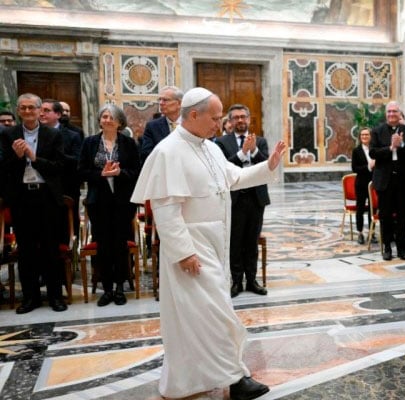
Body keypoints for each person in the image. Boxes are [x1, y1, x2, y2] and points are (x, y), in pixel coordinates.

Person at [131, 87, 284, 400]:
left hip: (214, 243)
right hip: (191, 249)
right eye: (215, 118)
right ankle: (236, 379)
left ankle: (194, 380)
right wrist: (183, 251)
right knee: (214, 314)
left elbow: (236, 178)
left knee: (206, 315)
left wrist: (269, 165)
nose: (221, 124)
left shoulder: (210, 148)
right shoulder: (168, 151)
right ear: (195, 114)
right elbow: (166, 209)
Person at [0, 93, 67, 314]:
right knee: (26, 250)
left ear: (40, 111)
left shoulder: (53, 134)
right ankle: (31, 298)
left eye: (32, 108)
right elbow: (5, 169)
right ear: (18, 111)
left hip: (46, 196)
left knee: (51, 249)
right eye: (23, 108)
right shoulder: (8, 134)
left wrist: (34, 157)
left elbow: (59, 166)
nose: (28, 112)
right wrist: (17, 156)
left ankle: (56, 296)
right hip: (22, 198)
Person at [79, 104, 140, 306]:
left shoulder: (129, 143)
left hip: (123, 202)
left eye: (111, 117)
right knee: (104, 246)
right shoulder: (89, 143)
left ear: (119, 122)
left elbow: (136, 172)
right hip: (99, 202)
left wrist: (119, 173)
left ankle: (120, 288)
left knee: (120, 245)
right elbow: (81, 171)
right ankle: (106, 289)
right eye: (104, 116)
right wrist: (101, 175)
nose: (107, 120)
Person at [216, 104, 273, 297]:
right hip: (235, 199)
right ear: (230, 121)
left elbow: (268, 165)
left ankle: (252, 280)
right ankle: (236, 281)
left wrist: (254, 150)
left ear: (249, 119)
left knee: (251, 241)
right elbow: (222, 168)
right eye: (236, 117)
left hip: (256, 198)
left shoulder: (261, 141)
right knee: (235, 241)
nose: (240, 120)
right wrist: (242, 153)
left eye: (243, 117)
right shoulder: (222, 142)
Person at [369, 101, 405, 261]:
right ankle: (386, 248)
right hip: (384, 180)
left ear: (400, 114)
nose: (392, 114)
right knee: (385, 216)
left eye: (395, 112)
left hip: (403, 180)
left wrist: (402, 144)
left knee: (402, 215)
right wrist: (390, 148)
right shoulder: (377, 131)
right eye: (389, 112)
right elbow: (372, 153)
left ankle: (402, 248)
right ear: (386, 114)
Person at [41, 99, 83, 239]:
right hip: (40, 189)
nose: (41, 114)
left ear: (58, 115)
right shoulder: (32, 134)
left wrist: (57, 155)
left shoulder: (73, 135)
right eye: (40, 110)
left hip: (65, 187)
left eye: (46, 110)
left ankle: (70, 256)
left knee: (65, 230)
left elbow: (78, 161)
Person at [139, 86, 183, 163]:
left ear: (179, 103)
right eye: (160, 100)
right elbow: (147, 153)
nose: (161, 103)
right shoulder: (152, 126)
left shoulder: (191, 124)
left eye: (165, 100)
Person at [351, 127, 375, 245]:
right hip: (361, 184)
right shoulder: (356, 151)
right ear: (360, 137)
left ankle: (372, 232)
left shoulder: (375, 149)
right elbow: (355, 168)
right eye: (362, 135)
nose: (364, 137)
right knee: (360, 209)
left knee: (372, 208)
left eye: (367, 135)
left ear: (370, 136)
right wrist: (368, 167)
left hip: (374, 183)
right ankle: (360, 232)